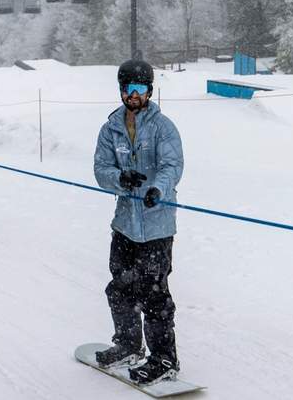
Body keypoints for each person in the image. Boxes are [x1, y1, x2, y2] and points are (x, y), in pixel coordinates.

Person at [93, 59, 184, 386]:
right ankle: (129, 344)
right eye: (129, 89)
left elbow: (172, 165)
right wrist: (120, 178)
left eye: (141, 89)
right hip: (125, 225)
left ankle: (164, 359)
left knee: (154, 292)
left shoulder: (163, 127)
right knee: (120, 286)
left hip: (157, 226)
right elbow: (101, 169)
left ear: (149, 90)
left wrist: (157, 188)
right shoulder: (110, 129)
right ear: (121, 90)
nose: (135, 95)